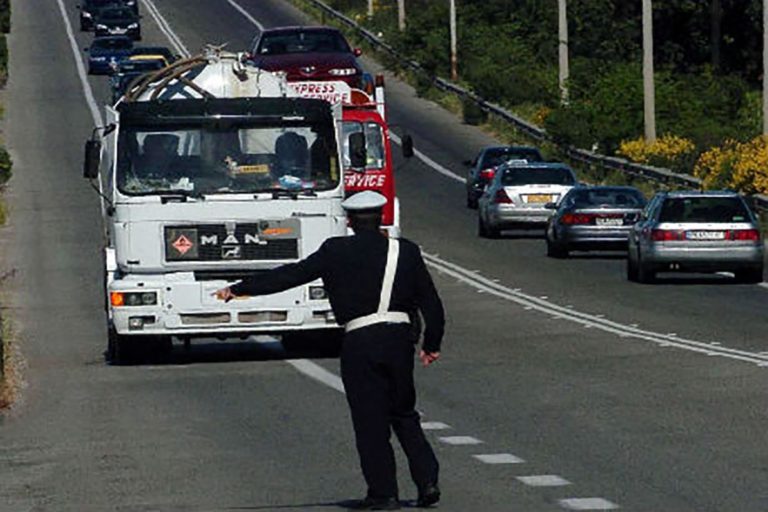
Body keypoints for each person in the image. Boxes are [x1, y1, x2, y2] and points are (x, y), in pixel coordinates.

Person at [214, 191, 444, 510]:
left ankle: (384, 493)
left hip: (360, 339)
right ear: (381, 217)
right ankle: (428, 481)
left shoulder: (336, 251)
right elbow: (431, 303)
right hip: (399, 340)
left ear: (349, 220)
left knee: (370, 420)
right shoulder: (406, 252)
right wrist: (431, 344)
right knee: (404, 412)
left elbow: (290, 275)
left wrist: (240, 289)